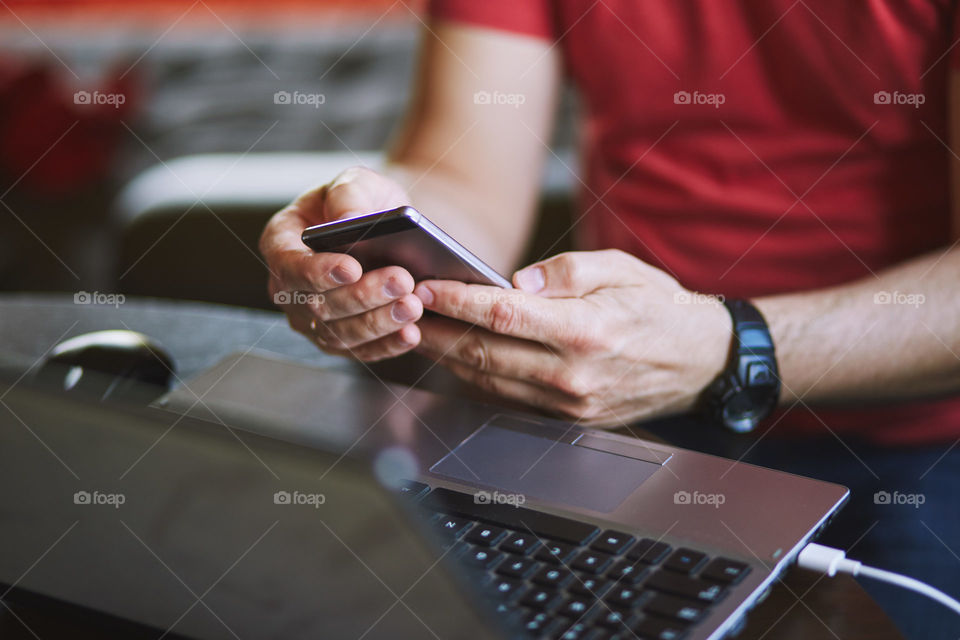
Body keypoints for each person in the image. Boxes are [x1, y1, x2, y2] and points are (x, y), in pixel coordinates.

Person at [259, 2, 960, 637]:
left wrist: (726, 349)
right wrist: (373, 229)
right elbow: (466, 178)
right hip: (623, 422)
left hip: (905, 447)